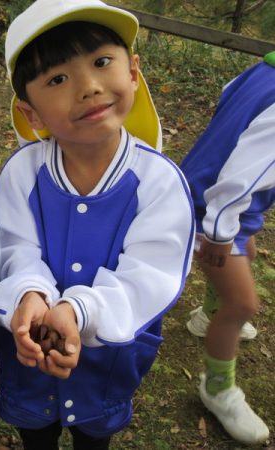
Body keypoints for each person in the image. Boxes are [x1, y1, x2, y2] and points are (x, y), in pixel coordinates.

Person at [0, 0, 195, 448]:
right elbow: (11, 248)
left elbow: (149, 274)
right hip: (28, 355)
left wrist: (80, 311)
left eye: (102, 62)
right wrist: (29, 294)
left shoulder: (159, 181)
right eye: (57, 79)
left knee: (93, 437)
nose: (88, 87)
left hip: (108, 363)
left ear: (134, 71)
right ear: (30, 112)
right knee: (35, 434)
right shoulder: (23, 173)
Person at [179, 52, 275, 445]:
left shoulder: (265, 68)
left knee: (246, 255)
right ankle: (218, 389)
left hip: (212, 190)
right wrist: (219, 232)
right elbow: (243, 174)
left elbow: (227, 93)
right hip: (214, 205)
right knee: (242, 304)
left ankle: (207, 316)